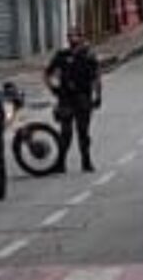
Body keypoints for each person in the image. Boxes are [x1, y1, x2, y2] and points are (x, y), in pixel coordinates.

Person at [44, 28, 104, 173]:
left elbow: (96, 77)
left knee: (83, 132)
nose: (72, 39)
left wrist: (98, 96)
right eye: (70, 36)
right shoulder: (62, 55)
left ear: (82, 38)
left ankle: (86, 161)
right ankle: (60, 163)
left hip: (83, 97)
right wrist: (53, 88)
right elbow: (47, 73)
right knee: (66, 132)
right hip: (65, 98)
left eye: (75, 36)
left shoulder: (89, 56)